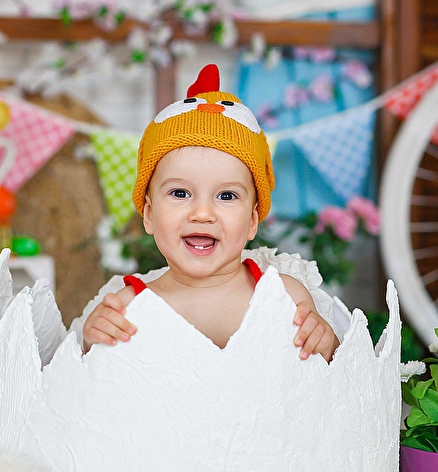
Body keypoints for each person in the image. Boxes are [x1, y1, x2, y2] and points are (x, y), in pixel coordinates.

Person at [82, 64, 339, 362]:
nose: (202, 213)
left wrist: (326, 344)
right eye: (180, 193)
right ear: (149, 215)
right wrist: (92, 341)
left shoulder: (285, 297)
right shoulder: (127, 309)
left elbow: (331, 377)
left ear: (252, 220)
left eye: (226, 196)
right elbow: (92, 378)